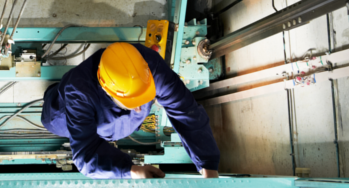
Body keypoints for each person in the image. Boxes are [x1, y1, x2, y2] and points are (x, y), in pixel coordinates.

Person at [42, 42, 219, 179]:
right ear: (106, 89)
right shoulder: (79, 91)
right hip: (63, 114)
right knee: (54, 117)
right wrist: (130, 170)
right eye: (133, 102)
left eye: (144, 97)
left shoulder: (149, 66)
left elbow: (185, 110)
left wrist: (208, 164)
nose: (140, 108)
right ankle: (53, 92)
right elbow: (85, 155)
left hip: (109, 117)